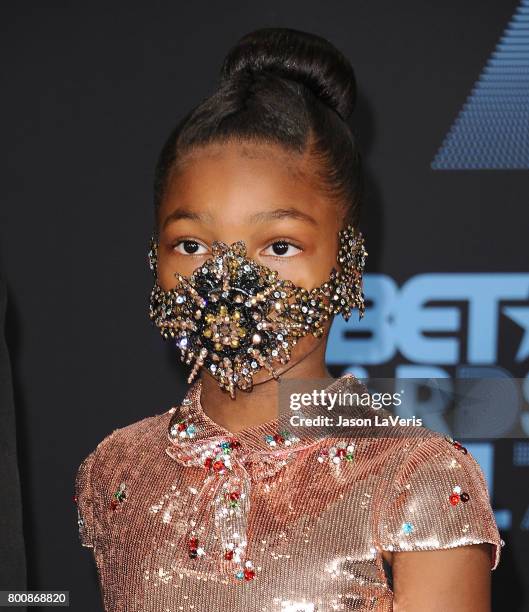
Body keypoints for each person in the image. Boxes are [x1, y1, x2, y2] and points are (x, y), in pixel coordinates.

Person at [74, 27, 503, 611]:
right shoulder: (118, 469)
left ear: (347, 257)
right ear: (156, 256)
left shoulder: (415, 474)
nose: (227, 280)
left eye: (278, 246)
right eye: (192, 245)